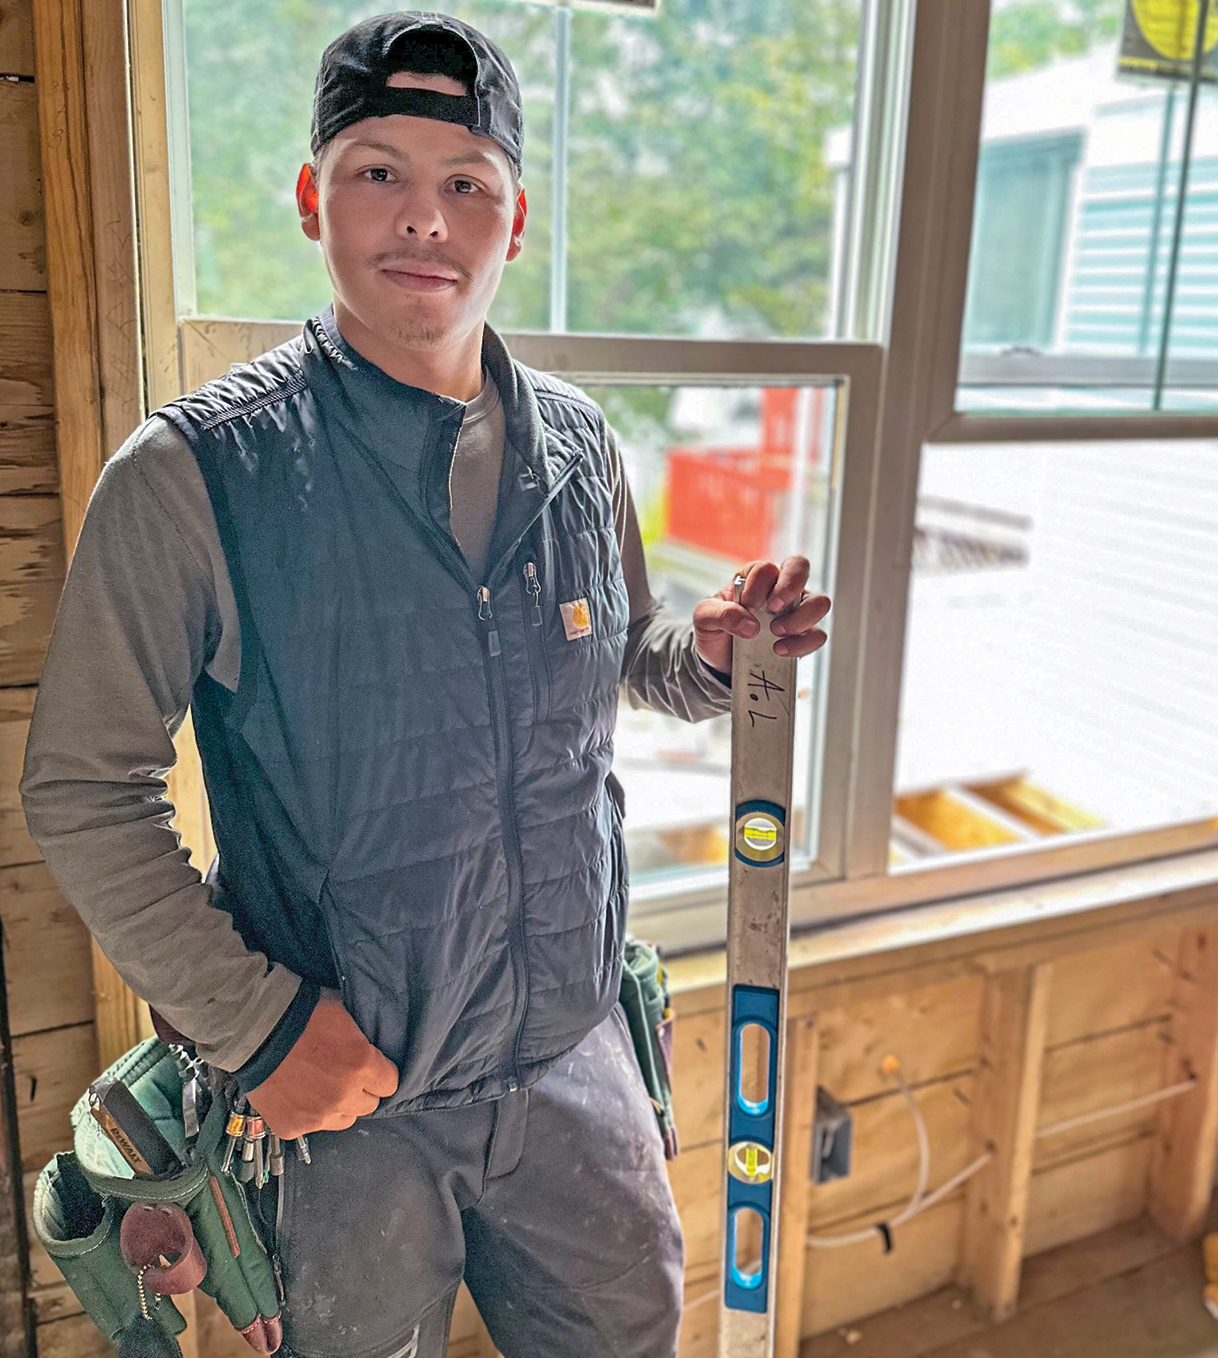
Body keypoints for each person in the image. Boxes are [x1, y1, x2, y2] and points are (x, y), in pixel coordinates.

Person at [20, 12, 831, 1358]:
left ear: (514, 224)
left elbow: (601, 669)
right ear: (310, 198)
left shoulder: (578, 447)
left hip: (576, 1057)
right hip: (348, 1100)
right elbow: (81, 788)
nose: (424, 221)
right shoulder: (193, 478)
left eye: (467, 184)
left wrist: (705, 662)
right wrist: (263, 1028)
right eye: (377, 171)